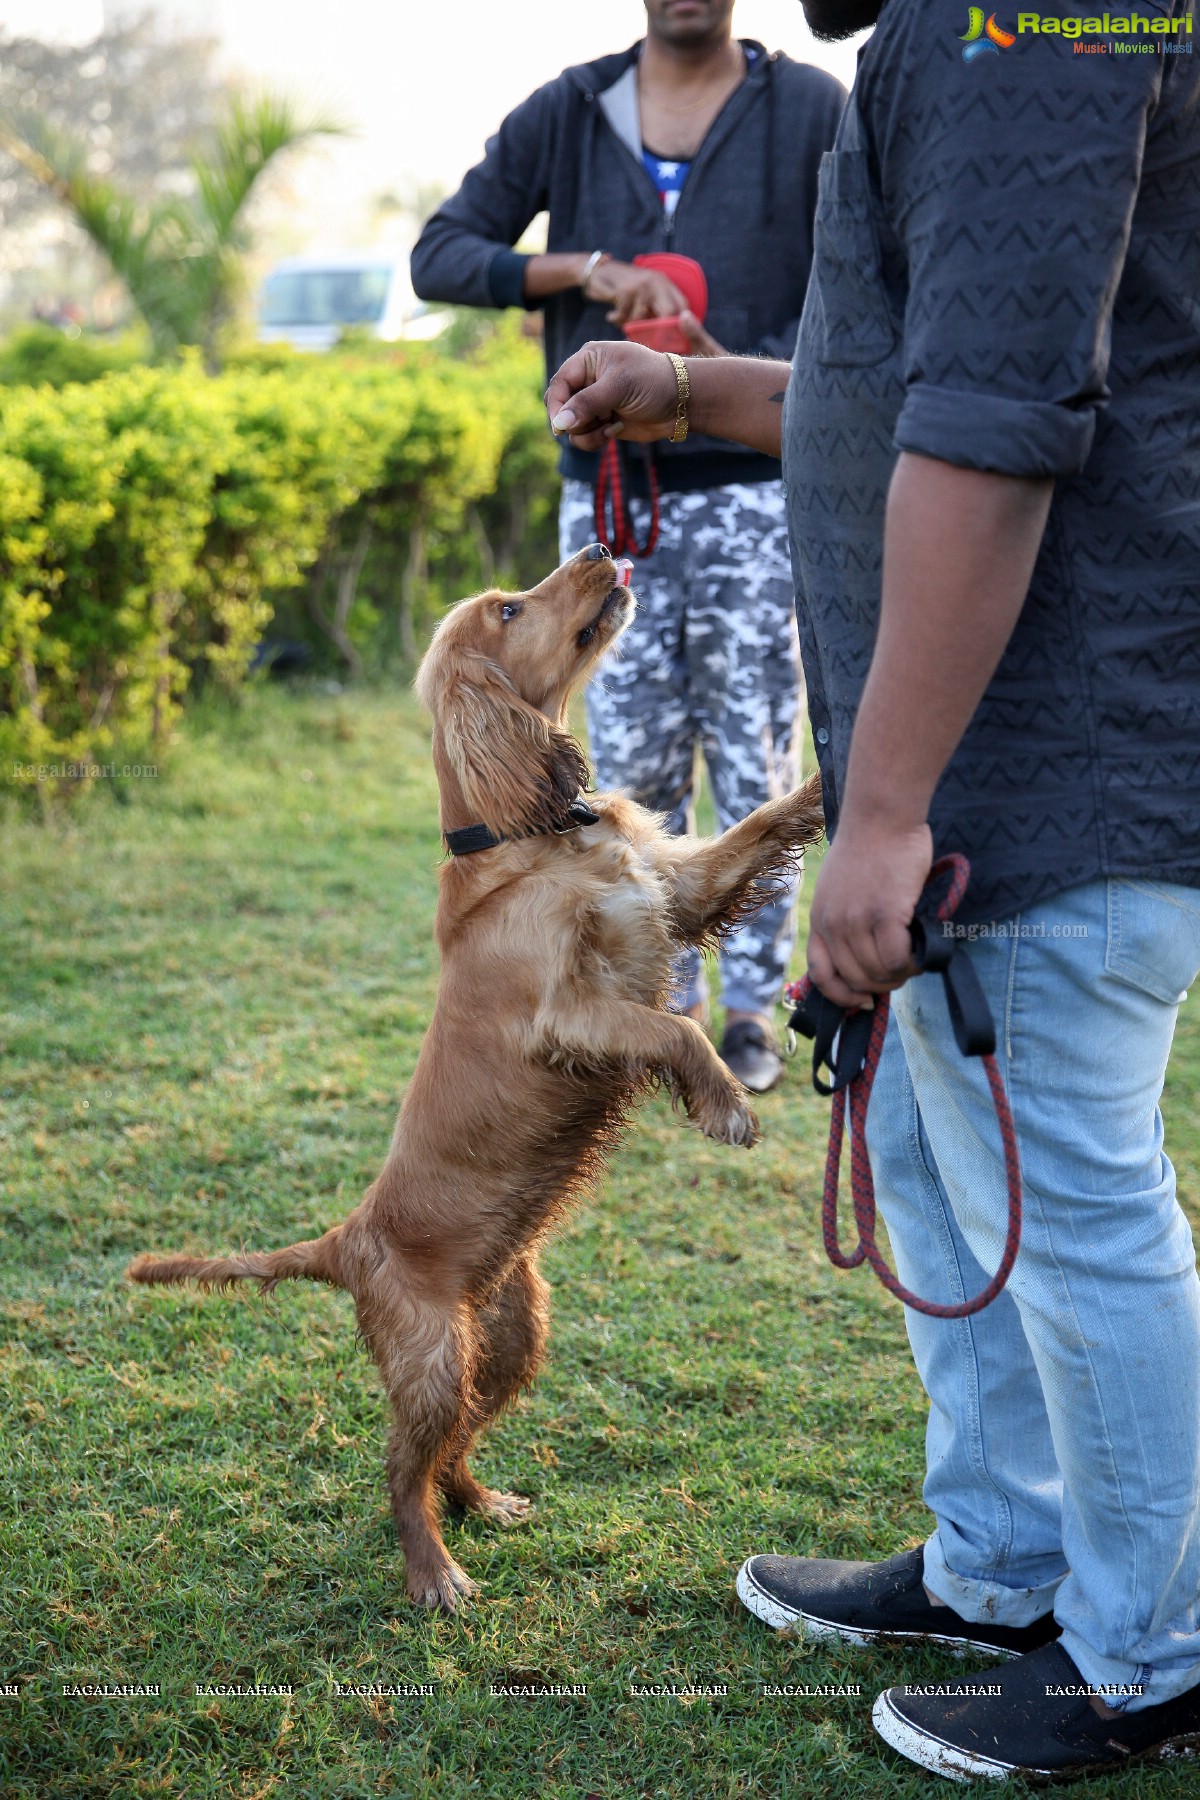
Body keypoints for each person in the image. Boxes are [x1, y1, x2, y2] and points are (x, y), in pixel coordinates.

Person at [545, 0, 1200, 1780]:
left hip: (1051, 769)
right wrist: (696, 389)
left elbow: (994, 426)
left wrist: (887, 812)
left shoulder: (1029, 20)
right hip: (994, 775)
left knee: (1065, 1199)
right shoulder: (950, 36)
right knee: (939, 1160)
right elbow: (914, 379)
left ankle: (1145, 1652)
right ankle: (1004, 1566)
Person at [411, 0, 844, 1093]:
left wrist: (728, 373)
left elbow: (866, 288)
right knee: (628, 767)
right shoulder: (570, 108)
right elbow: (440, 254)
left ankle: (753, 1010)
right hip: (609, 503)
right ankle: (656, 1005)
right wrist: (585, 271)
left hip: (753, 486)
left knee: (757, 752)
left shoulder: (807, 109)